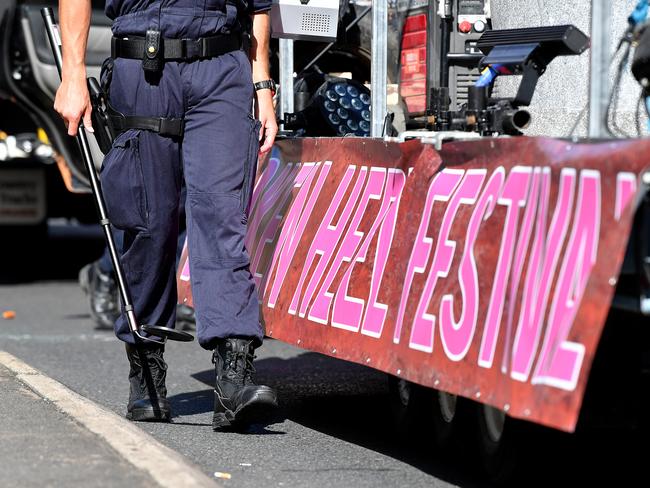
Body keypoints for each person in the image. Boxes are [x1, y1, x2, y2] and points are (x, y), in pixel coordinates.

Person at [55, 0, 279, 430]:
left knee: (221, 216)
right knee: (148, 224)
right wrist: (72, 74)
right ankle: (146, 366)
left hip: (221, 68)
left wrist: (262, 83)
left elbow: (259, 5)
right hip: (142, 68)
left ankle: (234, 377)